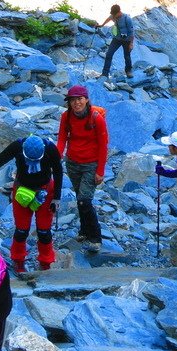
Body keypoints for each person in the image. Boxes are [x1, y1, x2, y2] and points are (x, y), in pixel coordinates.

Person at [0, 134, 63, 273]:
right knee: (21, 230)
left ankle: (45, 262)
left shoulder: (50, 149)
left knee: (44, 231)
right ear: (24, 152)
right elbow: (0, 160)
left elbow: (58, 171)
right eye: (29, 159)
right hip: (22, 191)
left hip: (45, 192)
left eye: (35, 160)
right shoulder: (18, 145)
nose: (32, 162)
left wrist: (56, 198)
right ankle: (18, 261)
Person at [56, 85, 108, 252]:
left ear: (86, 99)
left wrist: (100, 171)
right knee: (80, 198)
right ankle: (84, 231)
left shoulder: (96, 118)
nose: (76, 102)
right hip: (73, 163)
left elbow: (103, 146)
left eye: (79, 99)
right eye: (72, 100)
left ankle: (96, 237)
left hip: (91, 164)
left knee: (85, 200)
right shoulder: (66, 116)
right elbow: (62, 138)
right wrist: (57, 156)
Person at [99, 4, 135, 78]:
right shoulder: (113, 15)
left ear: (119, 12)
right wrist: (102, 25)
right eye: (113, 14)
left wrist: (131, 44)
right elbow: (108, 19)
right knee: (109, 54)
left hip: (127, 40)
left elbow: (131, 32)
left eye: (115, 14)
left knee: (127, 56)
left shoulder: (127, 19)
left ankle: (128, 71)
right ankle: (105, 74)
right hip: (117, 39)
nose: (114, 16)